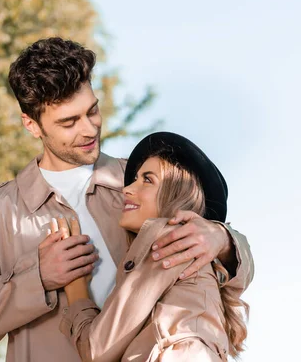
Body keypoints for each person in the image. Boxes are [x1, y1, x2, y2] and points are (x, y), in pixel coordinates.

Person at [0, 37, 254, 362]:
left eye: (92, 111)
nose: (89, 129)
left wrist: (223, 239)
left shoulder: (141, 184)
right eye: (69, 122)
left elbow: (215, 269)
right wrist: (38, 278)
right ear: (32, 125)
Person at [56, 131, 249, 361]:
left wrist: (76, 290)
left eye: (147, 180)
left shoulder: (168, 241)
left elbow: (98, 348)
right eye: (135, 179)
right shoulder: (198, 258)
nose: (127, 189)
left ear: (176, 195)